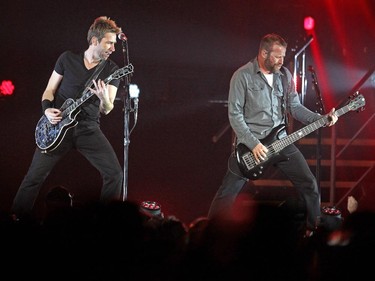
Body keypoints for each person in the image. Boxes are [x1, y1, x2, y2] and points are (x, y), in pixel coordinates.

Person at [207, 33, 338, 236]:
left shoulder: (284, 75)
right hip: (251, 146)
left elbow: (295, 107)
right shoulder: (242, 76)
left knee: (309, 183)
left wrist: (321, 118)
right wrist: (253, 144)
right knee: (227, 192)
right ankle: (208, 233)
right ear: (263, 53)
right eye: (277, 56)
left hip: (282, 141)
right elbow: (235, 116)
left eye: (283, 56)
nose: (281, 61)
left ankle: (312, 231)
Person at [11, 16, 124, 219]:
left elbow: (107, 109)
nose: (113, 48)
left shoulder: (112, 70)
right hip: (56, 128)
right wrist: (47, 110)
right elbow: (49, 91)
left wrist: (103, 99)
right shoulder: (67, 59)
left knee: (115, 174)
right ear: (94, 41)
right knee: (33, 178)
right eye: (109, 43)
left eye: (115, 44)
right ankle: (16, 219)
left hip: (88, 128)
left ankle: (107, 223)